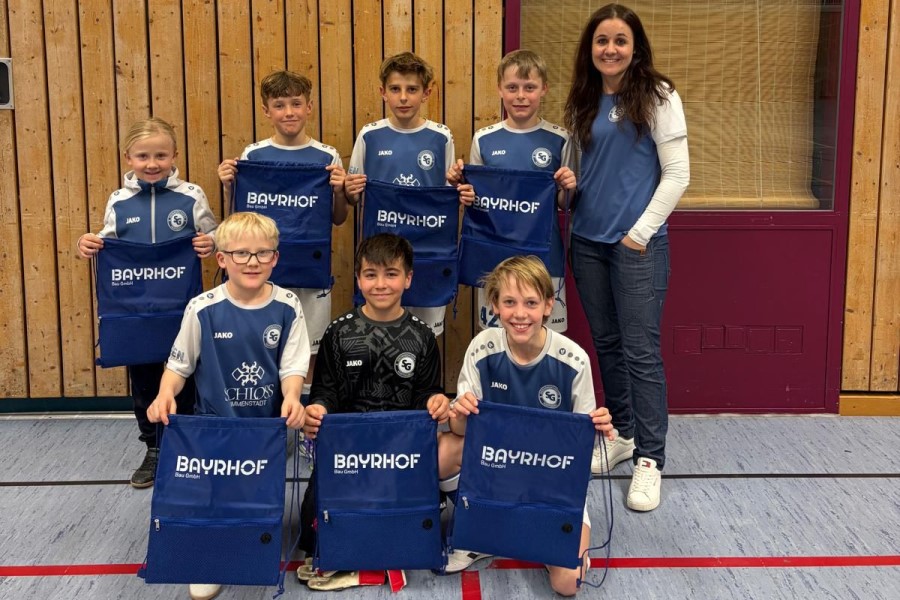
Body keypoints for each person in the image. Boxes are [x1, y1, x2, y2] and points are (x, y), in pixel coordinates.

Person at [563, 3, 690, 512]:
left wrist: (638, 234)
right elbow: (584, 173)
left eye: (620, 40)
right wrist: (567, 192)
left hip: (636, 247)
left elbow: (678, 174)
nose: (610, 49)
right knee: (608, 345)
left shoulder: (658, 95)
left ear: (635, 47)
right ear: (590, 48)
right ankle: (623, 434)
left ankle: (650, 459)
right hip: (587, 243)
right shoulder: (584, 97)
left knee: (641, 352)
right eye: (602, 40)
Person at [147, 211, 308, 600]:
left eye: (262, 253)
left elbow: (292, 366)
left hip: (265, 428)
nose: (252, 262)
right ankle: (209, 562)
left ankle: (253, 541)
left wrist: (291, 397)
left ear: (275, 258)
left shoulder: (288, 305)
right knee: (212, 494)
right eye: (240, 254)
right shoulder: (202, 307)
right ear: (221, 258)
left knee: (254, 493)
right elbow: (179, 365)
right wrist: (165, 393)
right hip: (214, 425)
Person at [443, 255, 614, 596]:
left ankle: (536, 537)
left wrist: (598, 431)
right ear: (494, 305)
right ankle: (478, 532)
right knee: (443, 451)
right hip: (496, 470)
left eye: (531, 303)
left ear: (549, 305)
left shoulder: (573, 359)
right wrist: (459, 413)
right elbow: (461, 432)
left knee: (567, 584)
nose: (519, 314)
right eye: (509, 302)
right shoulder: (481, 348)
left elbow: (583, 453)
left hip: (550, 481)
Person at [297, 233, 452, 591]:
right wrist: (317, 409)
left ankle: (375, 559)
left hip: (401, 456)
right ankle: (366, 556)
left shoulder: (422, 337)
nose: (380, 284)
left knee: (411, 534)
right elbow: (325, 392)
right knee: (314, 538)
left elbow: (427, 394)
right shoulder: (338, 333)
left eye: (391, 274)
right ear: (358, 278)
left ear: (408, 279)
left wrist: (436, 402)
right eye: (370, 274)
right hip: (347, 454)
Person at [76, 117, 217, 489]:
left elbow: (216, 234)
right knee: (143, 381)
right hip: (135, 312)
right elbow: (106, 241)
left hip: (182, 308)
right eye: (143, 156)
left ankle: (188, 446)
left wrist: (212, 242)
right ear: (128, 158)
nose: (152, 163)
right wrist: (87, 243)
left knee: (188, 376)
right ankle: (154, 448)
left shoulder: (192, 195)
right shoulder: (119, 200)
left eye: (160, 155)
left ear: (174, 155)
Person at [217, 70, 350, 397]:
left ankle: (304, 415)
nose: (289, 112)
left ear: (309, 107)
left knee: (311, 350)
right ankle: (266, 412)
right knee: (264, 345)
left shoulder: (327, 155)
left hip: (311, 272)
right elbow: (238, 219)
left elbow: (338, 218)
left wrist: (340, 191)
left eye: (296, 103)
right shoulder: (253, 156)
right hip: (262, 271)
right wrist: (228, 185)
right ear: (266, 111)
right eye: (279, 105)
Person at [447, 49, 576, 333]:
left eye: (529, 87)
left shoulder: (559, 139)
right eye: (512, 87)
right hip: (494, 258)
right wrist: (463, 191)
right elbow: (475, 200)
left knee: (546, 337)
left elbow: (564, 203)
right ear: (500, 89)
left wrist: (568, 188)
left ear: (544, 89)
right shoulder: (484, 138)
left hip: (544, 258)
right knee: (496, 336)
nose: (520, 96)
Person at [344, 52, 456, 336]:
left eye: (412, 89)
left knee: (425, 335)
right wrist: (349, 190)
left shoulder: (441, 136)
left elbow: (446, 196)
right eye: (395, 89)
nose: (403, 97)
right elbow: (353, 196)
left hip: (427, 253)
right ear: (383, 92)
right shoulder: (369, 135)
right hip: (381, 257)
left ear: (426, 93)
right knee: (380, 331)